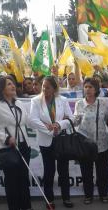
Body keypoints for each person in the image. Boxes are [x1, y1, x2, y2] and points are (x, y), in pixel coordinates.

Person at [0, 75, 32, 210]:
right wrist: (6, 138)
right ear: (1, 89)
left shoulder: (19, 103)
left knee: (24, 179)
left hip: (24, 145)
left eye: (12, 83)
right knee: (12, 182)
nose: (13, 86)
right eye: (8, 84)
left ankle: (26, 207)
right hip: (8, 149)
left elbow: (25, 121)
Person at [30, 76, 74, 209]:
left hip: (61, 141)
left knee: (64, 171)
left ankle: (66, 198)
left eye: (47, 87)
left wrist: (59, 124)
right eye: (43, 86)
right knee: (49, 171)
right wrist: (49, 128)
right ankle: (49, 200)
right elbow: (33, 120)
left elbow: (71, 118)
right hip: (46, 141)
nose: (44, 89)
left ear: (54, 88)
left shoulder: (63, 100)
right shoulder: (36, 100)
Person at [73, 78, 108, 204]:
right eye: (86, 87)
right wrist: (74, 119)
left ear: (96, 90)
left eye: (90, 87)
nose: (87, 89)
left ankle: (103, 194)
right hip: (86, 145)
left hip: (102, 144)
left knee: (103, 172)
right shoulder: (79, 104)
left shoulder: (103, 104)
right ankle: (88, 195)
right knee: (86, 172)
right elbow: (76, 123)